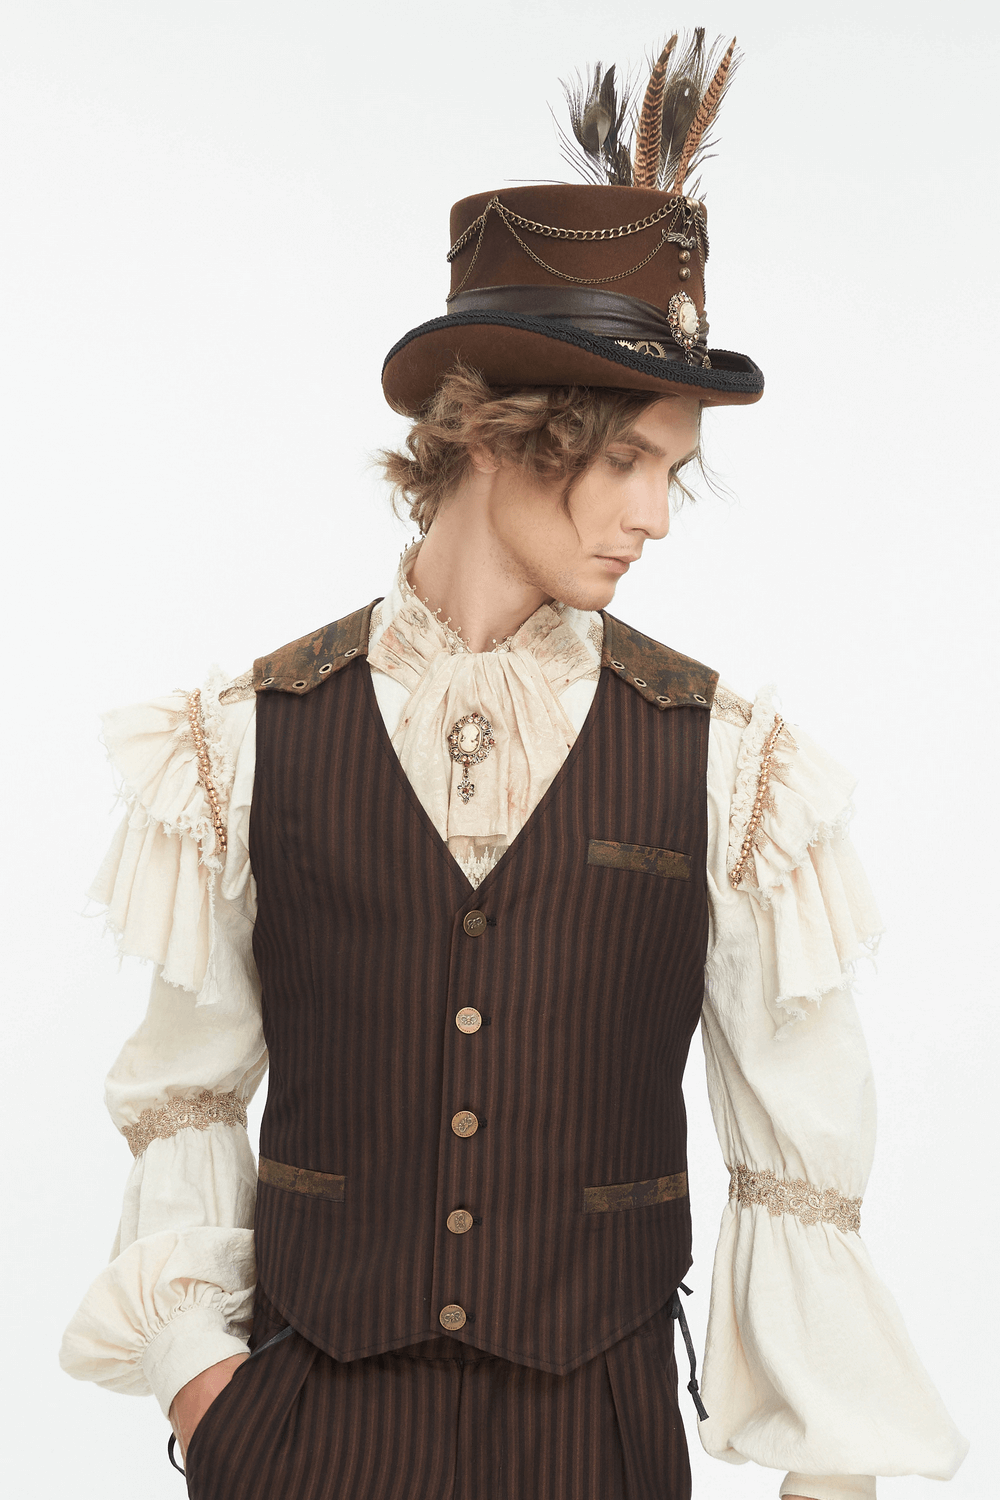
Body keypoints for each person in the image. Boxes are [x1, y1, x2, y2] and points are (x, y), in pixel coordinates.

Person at [60, 32, 967, 1500]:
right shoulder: (244, 740)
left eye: (673, 473)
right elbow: (187, 1092)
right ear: (494, 434)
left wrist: (830, 1477)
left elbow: (795, 1159)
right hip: (303, 1441)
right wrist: (206, 1396)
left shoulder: (728, 765)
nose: (654, 518)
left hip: (593, 1440)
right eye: (628, 462)